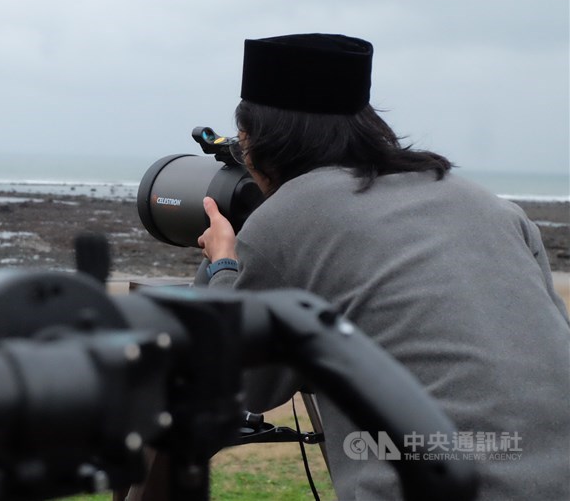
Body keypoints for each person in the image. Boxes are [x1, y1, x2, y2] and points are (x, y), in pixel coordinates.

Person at [196, 34, 570, 500]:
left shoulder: (289, 216)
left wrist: (224, 263)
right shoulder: (492, 206)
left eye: (241, 149)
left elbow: (245, 385)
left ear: (266, 143)